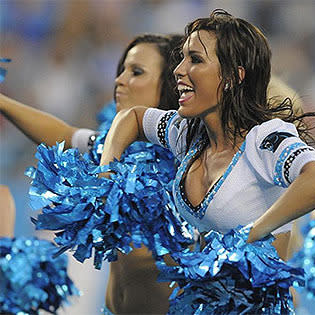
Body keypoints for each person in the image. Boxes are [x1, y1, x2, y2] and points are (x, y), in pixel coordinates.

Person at [100, 8, 315, 275]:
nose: (178, 70)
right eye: (182, 58)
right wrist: (106, 172)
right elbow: (131, 118)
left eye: (195, 60)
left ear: (234, 77)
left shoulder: (264, 139)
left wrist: (251, 234)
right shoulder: (188, 134)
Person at [0, 34, 183, 314]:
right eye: (121, 70)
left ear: (171, 84)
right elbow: (64, 135)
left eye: (136, 72)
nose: (119, 80)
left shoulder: (186, 160)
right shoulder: (114, 151)